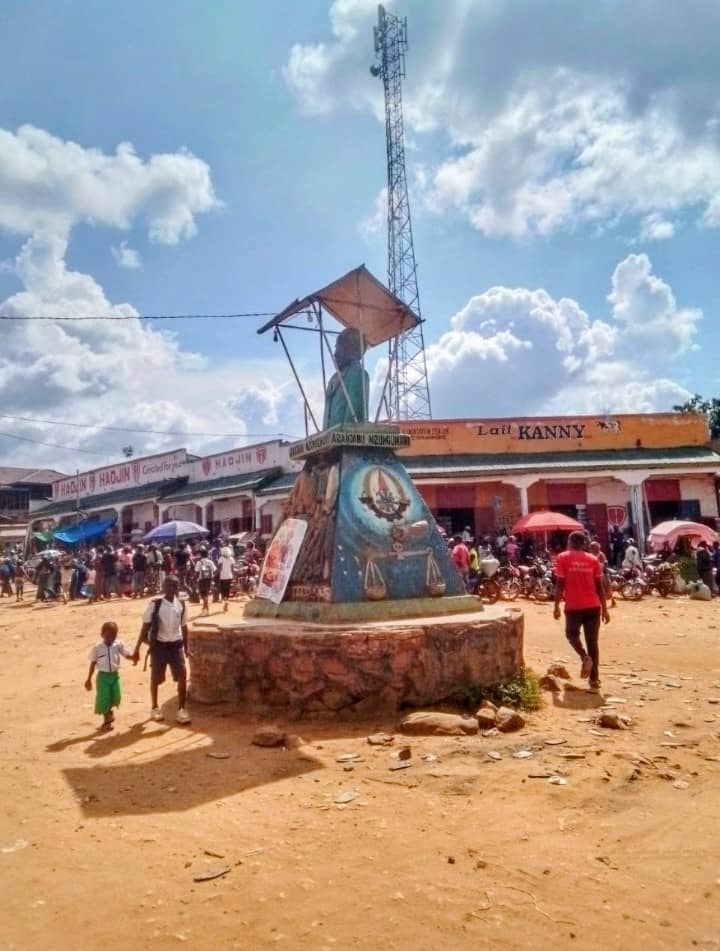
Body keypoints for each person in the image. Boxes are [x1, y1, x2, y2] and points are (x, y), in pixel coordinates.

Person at [553, 531, 610, 692]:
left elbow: (560, 584)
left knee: (571, 635)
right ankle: (594, 680)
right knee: (593, 643)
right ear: (584, 543)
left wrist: (556, 606)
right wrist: (605, 610)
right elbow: (600, 587)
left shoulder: (563, 557)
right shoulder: (593, 560)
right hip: (593, 606)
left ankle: (584, 657)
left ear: (570, 542)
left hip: (573, 607)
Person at [132, 575, 190, 724]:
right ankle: (155, 707)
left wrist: (187, 647)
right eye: (168, 585)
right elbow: (145, 627)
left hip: (176, 645)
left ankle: (182, 710)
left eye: (174, 586)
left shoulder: (181, 605)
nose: (171, 588)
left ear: (178, 588)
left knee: (182, 675)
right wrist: (137, 649)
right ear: (163, 587)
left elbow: (184, 627)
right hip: (159, 646)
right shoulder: (155, 605)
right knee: (156, 677)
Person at [85, 620, 135, 731]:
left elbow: (126, 654)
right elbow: (93, 663)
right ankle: (106, 721)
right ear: (102, 634)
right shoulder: (97, 647)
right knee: (104, 698)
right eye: (107, 636)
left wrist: (133, 657)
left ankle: (109, 712)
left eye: (113, 636)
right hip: (102, 677)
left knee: (116, 696)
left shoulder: (118, 644)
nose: (110, 639)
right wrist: (88, 679)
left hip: (114, 675)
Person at [589, 539, 616, 608]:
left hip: (603, 574)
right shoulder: (591, 555)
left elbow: (604, 564)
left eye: (593, 547)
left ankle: (611, 601)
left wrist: (600, 567)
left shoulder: (601, 554)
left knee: (606, 587)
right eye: (591, 547)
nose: (591, 549)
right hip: (595, 574)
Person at [195, 547, 216, 617]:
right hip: (209, 579)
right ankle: (204, 610)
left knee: (204, 596)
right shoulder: (210, 562)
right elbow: (215, 570)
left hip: (202, 580)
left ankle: (207, 610)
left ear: (201, 555)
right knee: (206, 595)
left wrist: (194, 580)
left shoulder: (199, 562)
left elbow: (197, 572)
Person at [218, 546, 234, 613]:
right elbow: (232, 568)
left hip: (223, 576)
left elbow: (220, 568)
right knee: (227, 589)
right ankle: (227, 601)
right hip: (229, 576)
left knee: (223, 589)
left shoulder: (221, 558)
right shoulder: (231, 558)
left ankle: (225, 601)